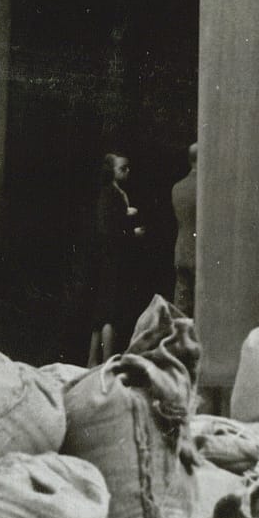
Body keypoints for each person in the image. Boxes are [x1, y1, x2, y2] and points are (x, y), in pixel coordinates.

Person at [86, 150, 147, 365]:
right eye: (122, 168)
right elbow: (108, 229)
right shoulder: (109, 194)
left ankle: (94, 360)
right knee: (110, 311)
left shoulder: (115, 193)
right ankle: (107, 361)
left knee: (103, 311)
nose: (127, 171)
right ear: (111, 171)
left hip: (113, 259)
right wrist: (132, 233)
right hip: (111, 260)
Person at [171, 141, 198, 317]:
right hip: (199, 252)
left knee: (181, 307)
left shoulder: (177, 188)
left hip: (181, 250)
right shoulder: (206, 189)